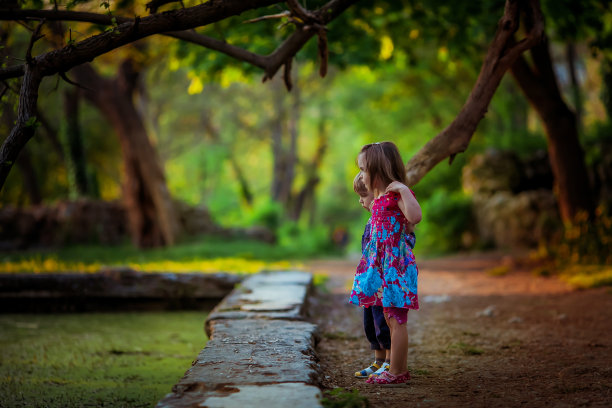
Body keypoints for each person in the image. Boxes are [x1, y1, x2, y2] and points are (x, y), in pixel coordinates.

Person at [349, 141, 422, 386]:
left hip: (396, 269)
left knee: (397, 320)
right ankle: (391, 366)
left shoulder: (395, 195)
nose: (361, 175)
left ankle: (398, 371)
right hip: (382, 270)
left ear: (379, 171)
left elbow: (415, 217)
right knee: (389, 319)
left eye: (363, 169)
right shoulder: (378, 199)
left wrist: (403, 190)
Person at [352, 172, 391, 380]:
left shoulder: (383, 219)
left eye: (363, 195)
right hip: (370, 280)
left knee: (383, 321)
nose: (360, 200)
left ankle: (389, 362)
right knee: (370, 322)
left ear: (376, 195)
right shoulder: (371, 220)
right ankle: (378, 361)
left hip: (381, 280)